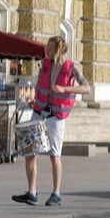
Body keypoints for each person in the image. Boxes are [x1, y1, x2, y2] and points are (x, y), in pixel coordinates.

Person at [11, 37, 89, 207]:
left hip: (56, 117)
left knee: (55, 156)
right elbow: (40, 85)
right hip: (39, 113)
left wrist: (65, 89)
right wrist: (34, 99)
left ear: (58, 49)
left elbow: (86, 88)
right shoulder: (45, 64)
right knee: (30, 152)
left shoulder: (71, 67)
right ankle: (31, 192)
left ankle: (56, 194)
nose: (46, 50)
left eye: (49, 48)